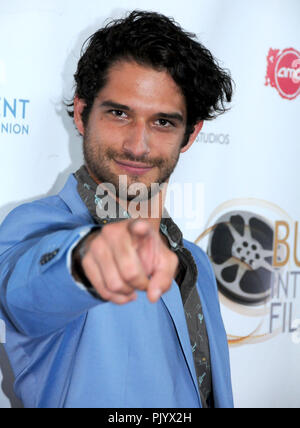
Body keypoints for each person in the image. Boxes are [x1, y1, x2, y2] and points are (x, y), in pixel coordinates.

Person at [0, 10, 234, 408]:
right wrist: (87, 260)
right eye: (119, 113)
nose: (138, 145)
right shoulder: (33, 229)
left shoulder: (195, 261)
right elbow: (26, 291)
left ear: (189, 135)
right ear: (81, 113)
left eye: (162, 122)